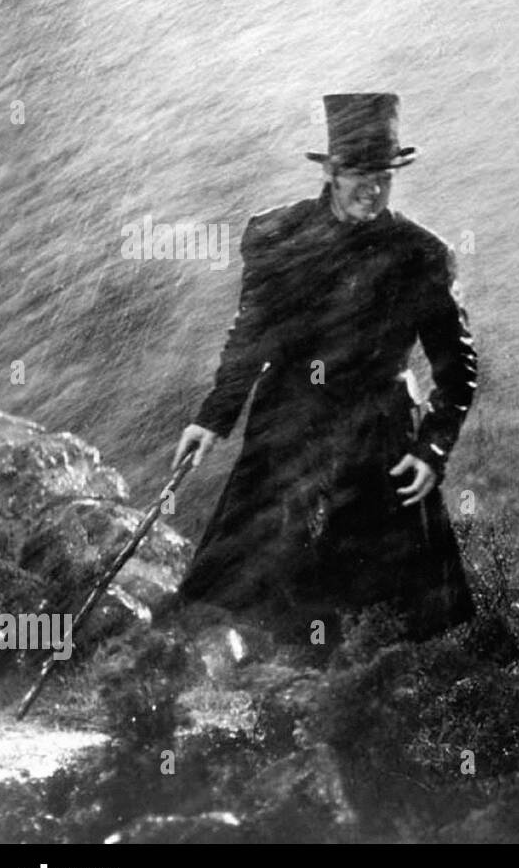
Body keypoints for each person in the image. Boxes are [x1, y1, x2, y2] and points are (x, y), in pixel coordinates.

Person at [168, 93, 478, 645]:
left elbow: (456, 369)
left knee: (390, 612)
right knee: (246, 584)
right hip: (288, 426)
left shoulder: (421, 255)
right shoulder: (277, 237)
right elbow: (250, 338)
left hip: (379, 438)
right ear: (331, 172)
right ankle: (244, 699)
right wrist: (213, 418)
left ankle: (358, 707)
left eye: (384, 175)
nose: (373, 189)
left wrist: (432, 448)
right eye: (358, 173)